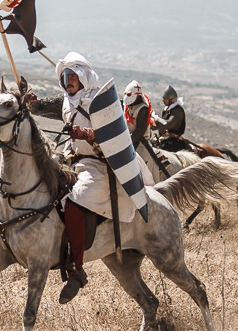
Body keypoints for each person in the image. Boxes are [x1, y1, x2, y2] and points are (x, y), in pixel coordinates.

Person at [25, 52, 150, 303]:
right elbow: (40, 108)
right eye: (65, 77)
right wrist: (32, 102)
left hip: (99, 165)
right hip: (72, 161)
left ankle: (77, 268)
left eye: (72, 76)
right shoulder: (66, 101)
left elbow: (113, 134)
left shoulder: (99, 102)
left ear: (83, 77)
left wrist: (84, 133)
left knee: (73, 202)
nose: (68, 80)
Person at [153, 84, 189, 152]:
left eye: (165, 99)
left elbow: (168, 124)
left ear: (171, 100)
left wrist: (156, 121)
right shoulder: (168, 109)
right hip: (165, 138)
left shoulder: (177, 110)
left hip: (174, 141)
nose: (163, 101)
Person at [121, 80, 153, 150]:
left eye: (129, 95)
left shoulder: (143, 110)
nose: (127, 97)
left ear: (137, 96)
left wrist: (124, 143)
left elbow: (139, 132)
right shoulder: (126, 106)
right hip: (128, 140)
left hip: (140, 144)